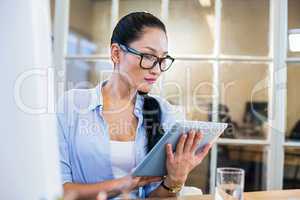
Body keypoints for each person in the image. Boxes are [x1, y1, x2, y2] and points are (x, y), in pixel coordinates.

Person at [57, 12, 212, 199]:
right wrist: (125, 183)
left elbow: (155, 196)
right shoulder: (72, 105)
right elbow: (58, 190)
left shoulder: (164, 113)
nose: (157, 70)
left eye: (162, 59)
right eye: (148, 56)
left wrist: (174, 181)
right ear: (116, 53)